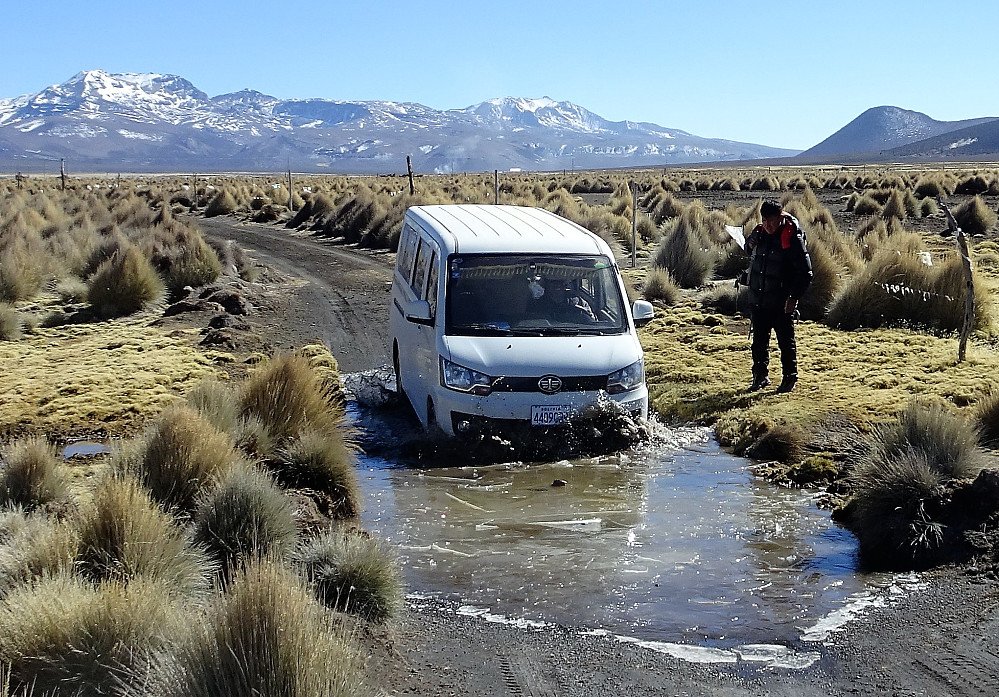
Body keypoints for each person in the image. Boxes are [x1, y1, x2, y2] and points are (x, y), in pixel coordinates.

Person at [744, 200, 812, 393]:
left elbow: (806, 273)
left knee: (785, 342)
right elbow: (749, 251)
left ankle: (789, 378)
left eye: (772, 220)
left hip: (782, 302)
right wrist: (750, 242)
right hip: (759, 299)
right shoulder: (760, 234)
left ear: (780, 217)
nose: (768, 225)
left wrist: (793, 299)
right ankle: (759, 377)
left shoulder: (792, 238)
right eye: (764, 220)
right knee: (759, 343)